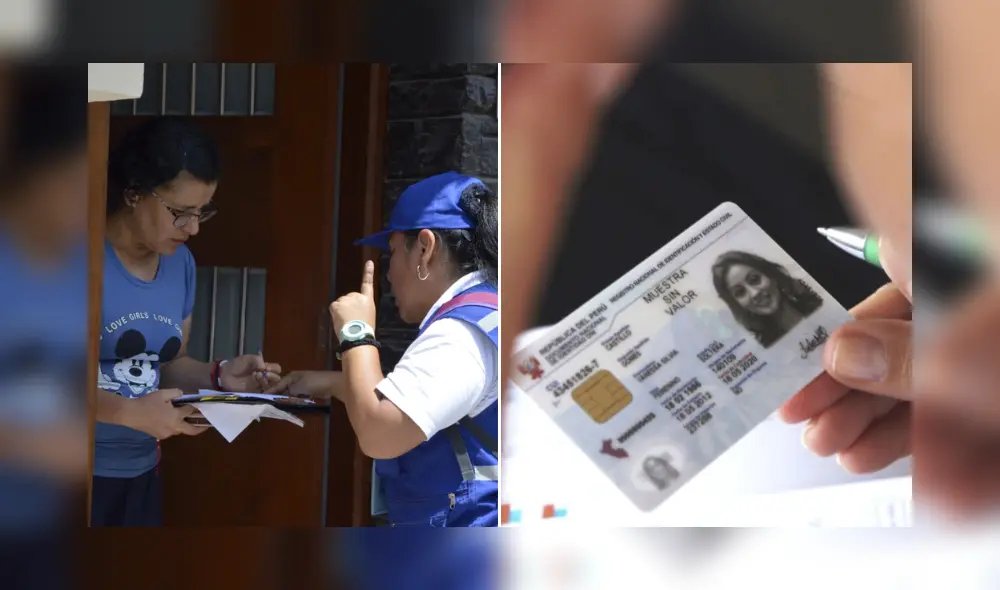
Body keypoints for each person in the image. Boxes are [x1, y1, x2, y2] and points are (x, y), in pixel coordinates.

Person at [268, 172, 499, 527]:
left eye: (391, 253)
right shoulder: (491, 309)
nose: (388, 274)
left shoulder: (459, 336)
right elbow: (423, 403)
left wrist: (356, 332)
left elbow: (380, 433)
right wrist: (330, 383)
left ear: (425, 247)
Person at [93, 116, 282, 527]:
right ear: (133, 193)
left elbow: (170, 364)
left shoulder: (181, 265)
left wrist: (220, 376)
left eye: (201, 212)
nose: (193, 229)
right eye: (180, 212)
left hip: (140, 474)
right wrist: (127, 412)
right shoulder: (73, 257)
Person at [711, 251, 823, 348]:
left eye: (754, 279)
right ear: (737, 304)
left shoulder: (820, 302)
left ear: (771, 275)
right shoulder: (765, 349)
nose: (754, 293)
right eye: (740, 292)